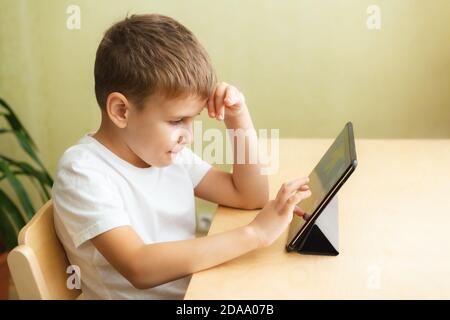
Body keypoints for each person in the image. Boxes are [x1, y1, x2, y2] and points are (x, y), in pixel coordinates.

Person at [52, 14, 311, 299]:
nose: (189, 136)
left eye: (193, 120)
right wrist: (255, 234)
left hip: (197, 291)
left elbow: (249, 196)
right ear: (121, 111)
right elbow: (139, 266)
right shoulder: (83, 173)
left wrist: (237, 116)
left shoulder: (168, 155)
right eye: (177, 121)